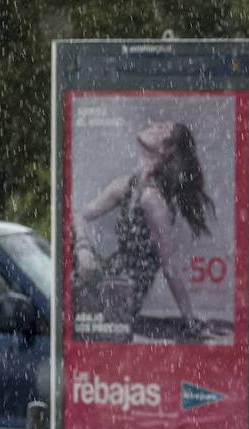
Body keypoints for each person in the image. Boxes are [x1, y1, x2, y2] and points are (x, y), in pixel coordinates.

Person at [73, 120, 215, 341]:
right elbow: (79, 215)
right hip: (107, 285)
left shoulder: (152, 199)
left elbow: (169, 266)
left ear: (166, 149)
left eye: (162, 129)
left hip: (120, 299)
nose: (154, 125)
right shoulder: (129, 186)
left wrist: (190, 319)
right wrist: (83, 249)